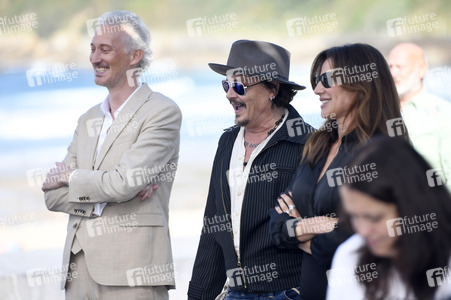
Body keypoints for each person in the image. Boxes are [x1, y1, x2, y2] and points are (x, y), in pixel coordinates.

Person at [41, 10, 181, 300]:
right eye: (92, 49)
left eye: (105, 49)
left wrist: (73, 178)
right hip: (77, 272)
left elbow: (122, 183)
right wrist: (106, 197)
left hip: (134, 275)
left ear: (134, 56)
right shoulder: (87, 119)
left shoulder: (162, 112)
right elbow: (52, 196)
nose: (94, 58)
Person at [269, 43, 409, 300]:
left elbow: (368, 238)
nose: (317, 89)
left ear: (361, 83)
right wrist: (323, 225)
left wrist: (301, 231)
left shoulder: (382, 151)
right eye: (316, 80)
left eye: (326, 79)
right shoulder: (318, 144)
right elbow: (277, 226)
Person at [188, 39, 315, 300]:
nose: (229, 94)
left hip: (289, 292)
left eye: (239, 85)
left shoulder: (308, 144)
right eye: (226, 84)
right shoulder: (227, 142)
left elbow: (320, 229)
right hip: (235, 293)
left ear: (272, 89)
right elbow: (213, 225)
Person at [327, 136, 451, 300]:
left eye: (374, 218)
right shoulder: (350, 257)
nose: (362, 231)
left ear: (414, 206)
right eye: (353, 216)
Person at [388, 43, 451, 190]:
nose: (393, 73)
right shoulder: (378, 112)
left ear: (422, 69)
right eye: (390, 67)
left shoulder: (444, 113)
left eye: (399, 67)